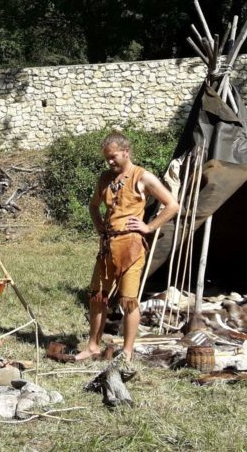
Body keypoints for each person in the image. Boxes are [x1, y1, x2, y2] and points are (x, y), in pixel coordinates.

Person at [76, 131, 179, 362]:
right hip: (107, 245)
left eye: (113, 157)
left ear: (126, 152)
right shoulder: (104, 178)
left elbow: (172, 205)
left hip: (131, 246)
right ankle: (93, 345)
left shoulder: (142, 176)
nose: (110, 162)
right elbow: (94, 206)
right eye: (107, 158)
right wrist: (99, 225)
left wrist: (149, 227)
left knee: (128, 300)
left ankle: (128, 351)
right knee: (97, 296)